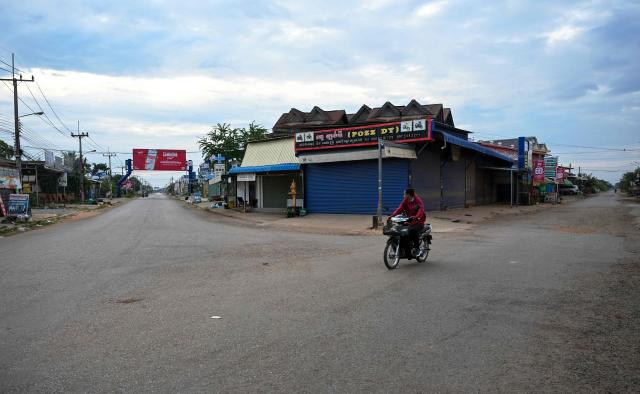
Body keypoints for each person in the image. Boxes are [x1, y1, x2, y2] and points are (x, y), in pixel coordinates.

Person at [390, 188, 427, 257]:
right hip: (409, 220)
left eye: (404, 194)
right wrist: (392, 216)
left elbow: (421, 210)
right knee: (399, 231)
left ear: (408, 195)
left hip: (418, 221)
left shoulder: (417, 200)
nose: (403, 195)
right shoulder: (405, 200)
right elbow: (400, 208)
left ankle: (417, 248)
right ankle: (401, 249)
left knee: (413, 231)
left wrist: (416, 216)